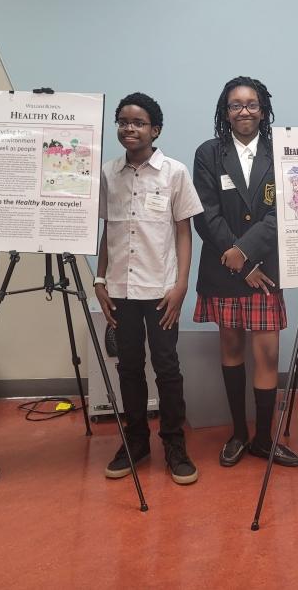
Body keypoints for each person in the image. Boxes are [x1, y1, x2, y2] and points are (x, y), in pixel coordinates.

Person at [94, 93, 203, 485]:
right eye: (123, 121)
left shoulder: (174, 172)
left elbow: (183, 232)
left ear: (155, 130)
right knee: (128, 367)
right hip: (121, 289)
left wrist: (180, 286)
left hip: (161, 291)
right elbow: (109, 231)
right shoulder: (107, 173)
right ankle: (136, 441)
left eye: (138, 122)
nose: (129, 128)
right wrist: (99, 280)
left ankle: (174, 443)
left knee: (167, 367)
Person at [192, 77, 298, 468]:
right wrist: (236, 255)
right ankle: (238, 433)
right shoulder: (208, 153)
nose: (244, 111)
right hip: (224, 270)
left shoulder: (281, 152)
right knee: (232, 348)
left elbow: (283, 211)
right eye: (236, 105)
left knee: (267, 353)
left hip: (265, 271)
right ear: (226, 111)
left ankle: (263, 439)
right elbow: (205, 213)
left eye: (252, 104)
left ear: (264, 109)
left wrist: (248, 254)